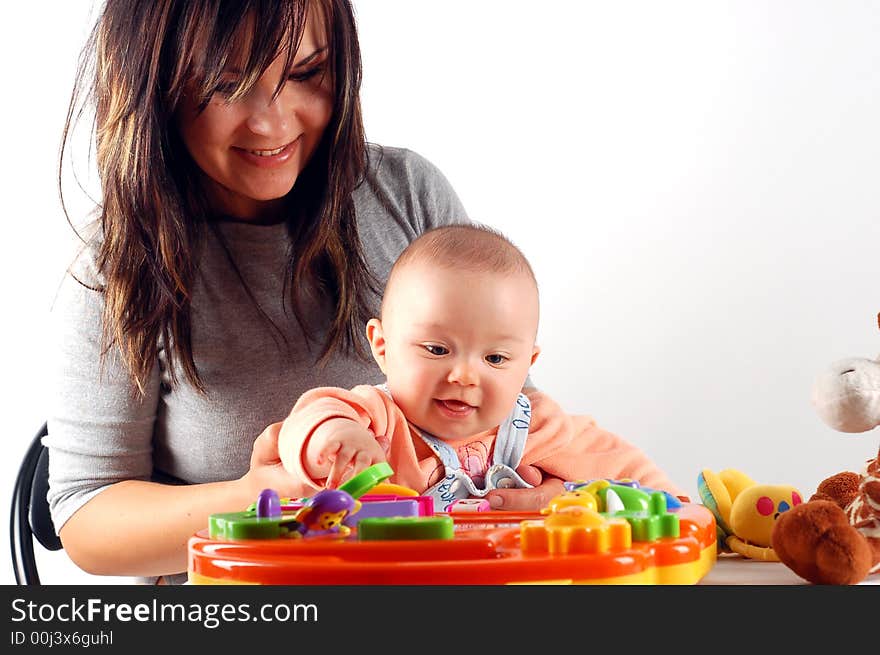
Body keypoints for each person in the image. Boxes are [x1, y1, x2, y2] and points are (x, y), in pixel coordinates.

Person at [45, 0, 560, 585]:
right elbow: (85, 515)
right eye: (226, 85)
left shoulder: (406, 195)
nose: (272, 124)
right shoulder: (120, 264)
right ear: (156, 86)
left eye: (307, 73)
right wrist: (256, 502)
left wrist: (547, 492)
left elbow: (511, 412)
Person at [277, 224, 685, 509]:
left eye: (495, 359)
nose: (465, 376)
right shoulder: (379, 421)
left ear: (527, 365)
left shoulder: (539, 427)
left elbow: (631, 474)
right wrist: (337, 438)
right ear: (382, 346)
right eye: (437, 349)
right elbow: (311, 417)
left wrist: (682, 512)